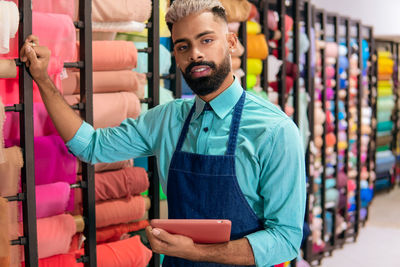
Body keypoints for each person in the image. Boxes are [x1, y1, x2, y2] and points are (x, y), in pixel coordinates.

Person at [20, 0, 306, 266]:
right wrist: (44, 79)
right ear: (176, 56)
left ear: (230, 42)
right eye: (183, 46)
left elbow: (286, 238)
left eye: (207, 40)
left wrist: (194, 251)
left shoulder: (274, 131)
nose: (195, 54)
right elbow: (92, 146)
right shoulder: (168, 118)